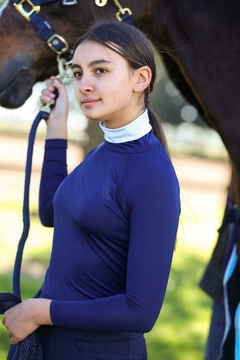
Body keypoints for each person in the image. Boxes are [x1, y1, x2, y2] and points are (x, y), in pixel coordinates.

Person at [3, 20, 180, 360]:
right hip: (51, 346)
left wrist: (39, 311)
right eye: (78, 72)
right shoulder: (105, 151)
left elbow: (140, 311)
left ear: (140, 79)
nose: (84, 84)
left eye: (100, 71)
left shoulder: (153, 175)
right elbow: (54, 212)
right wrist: (57, 131)